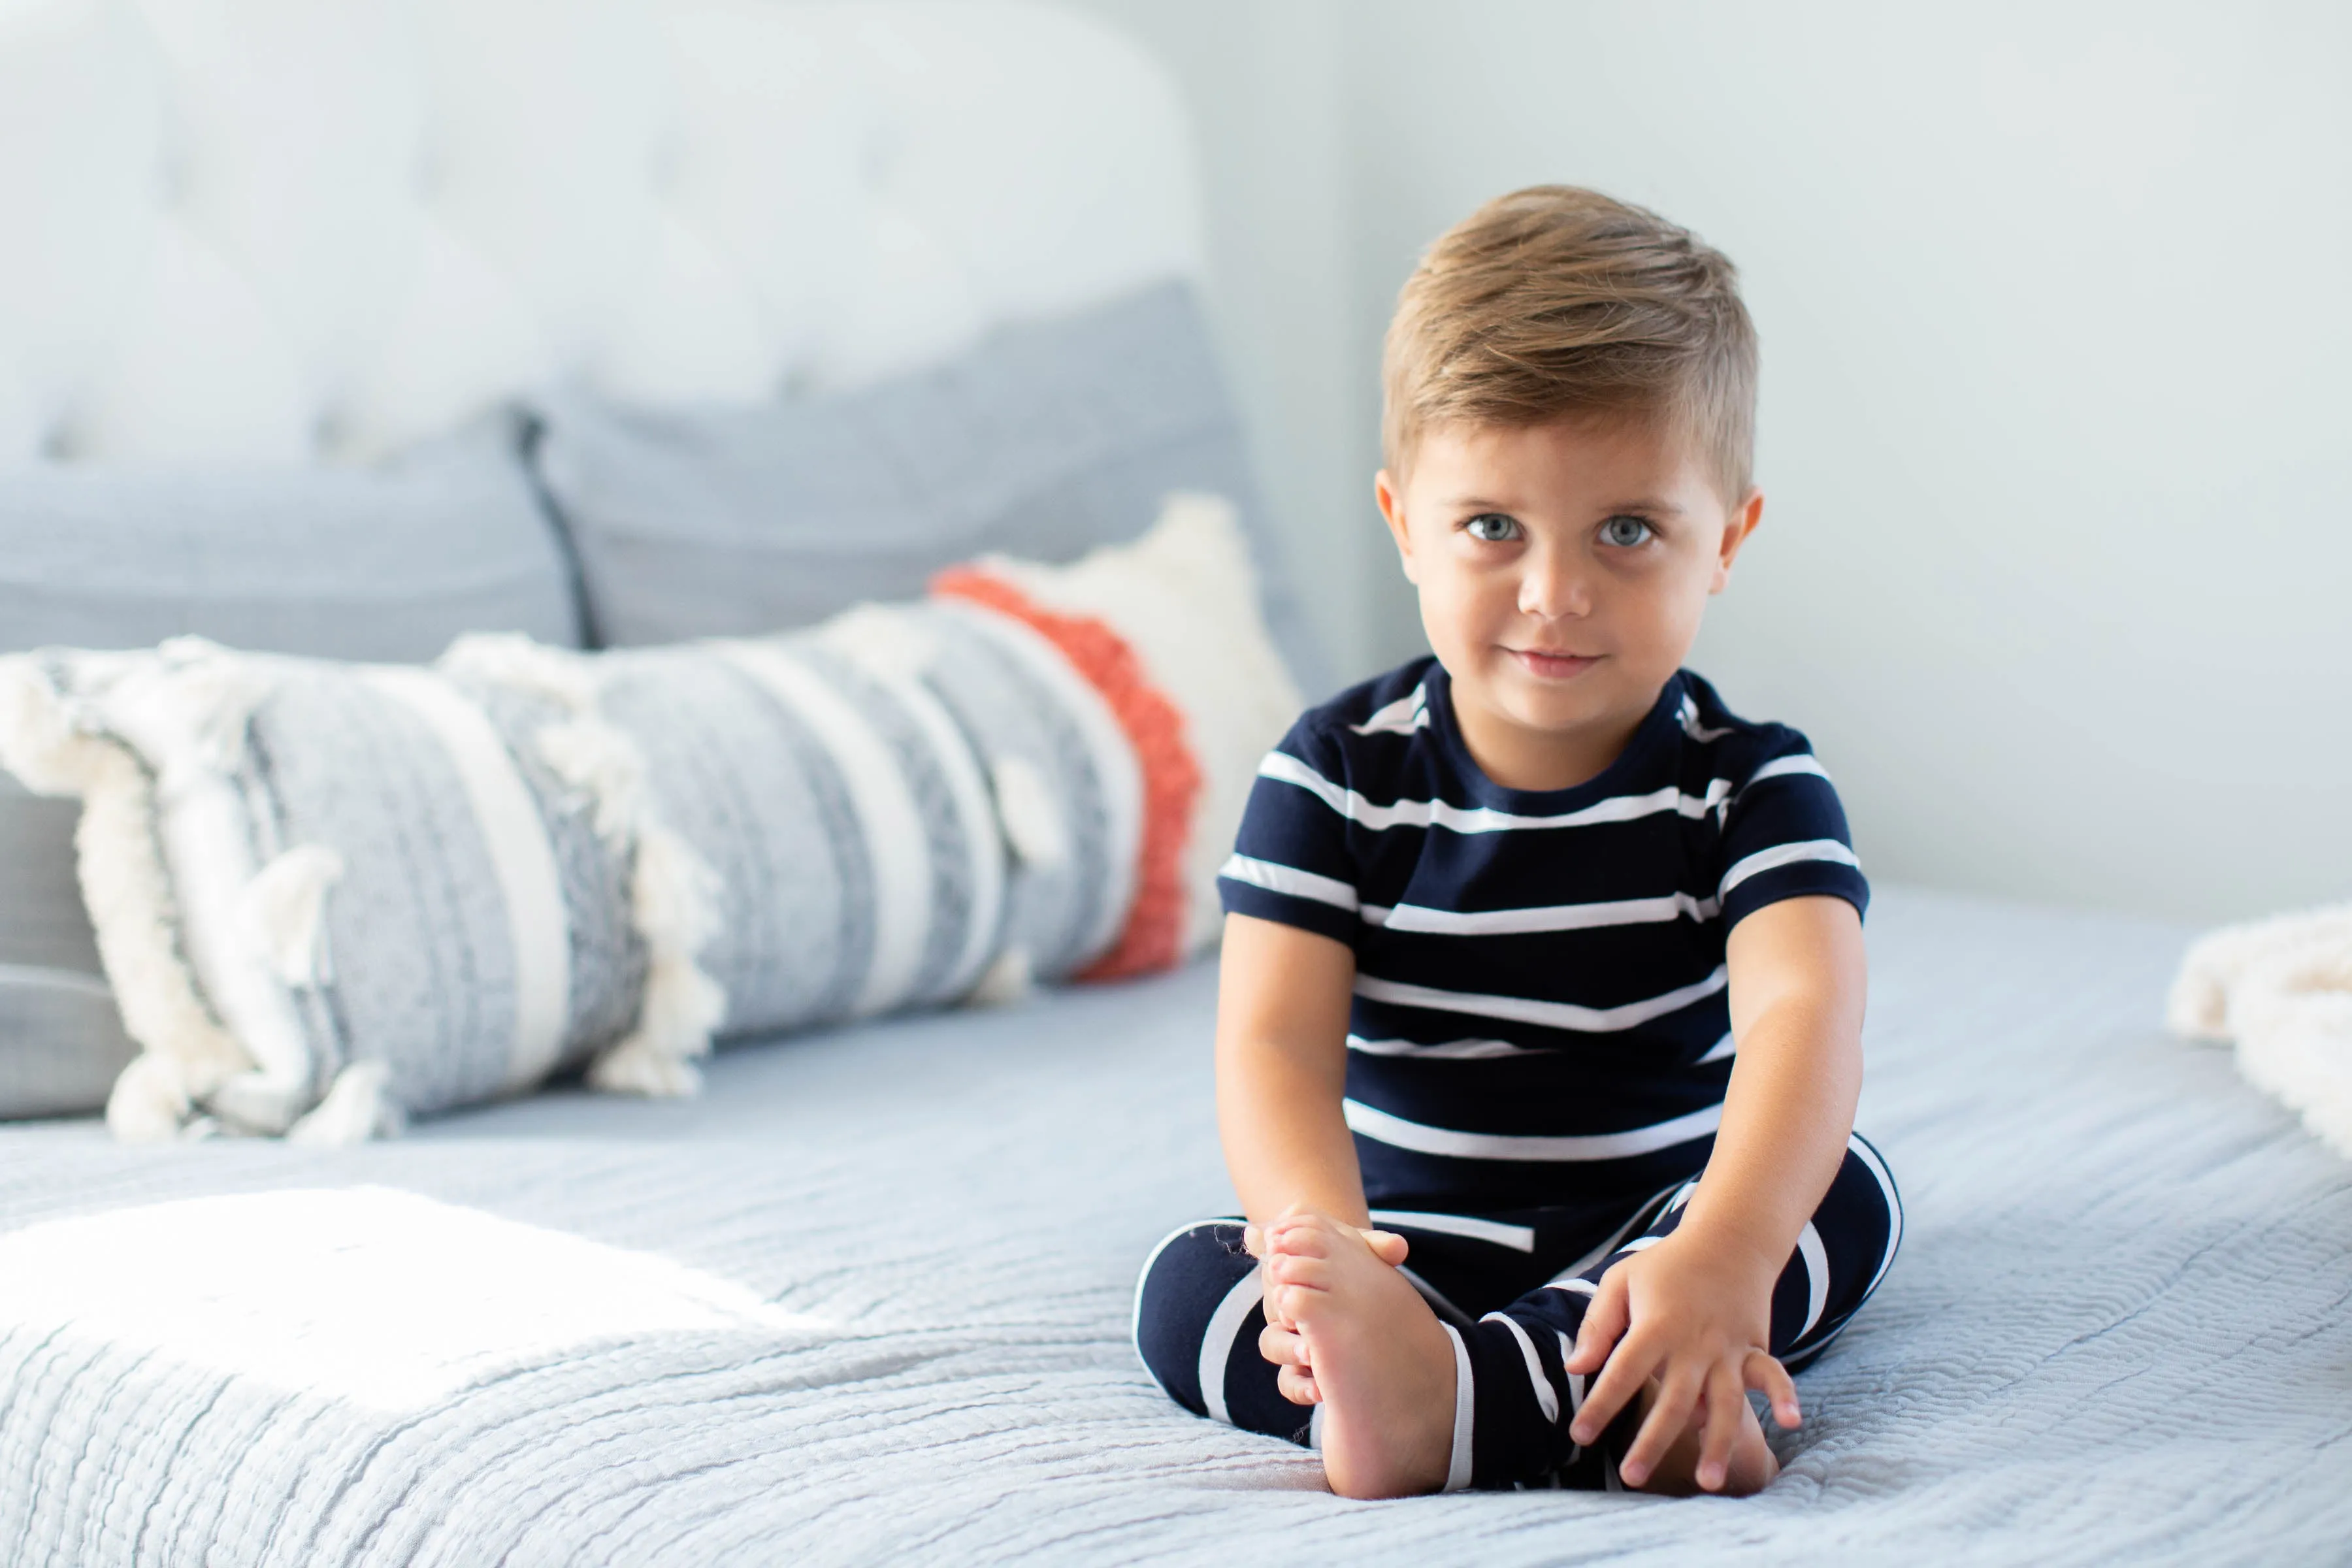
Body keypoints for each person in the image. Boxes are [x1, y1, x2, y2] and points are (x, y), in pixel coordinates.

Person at [1131, 186, 1901, 1499]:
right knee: (1188, 1290)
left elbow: (1802, 1020)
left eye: (1629, 530)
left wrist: (1721, 1253)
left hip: (1652, 1235)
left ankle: (1474, 1399)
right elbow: (1271, 1044)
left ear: (1728, 538)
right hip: (1408, 1245)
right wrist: (1328, 1257)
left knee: (1842, 1197)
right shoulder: (1332, 776)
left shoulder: (1751, 785)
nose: (1555, 593)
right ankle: (1585, 1403)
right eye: (1493, 527)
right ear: (1402, 522)